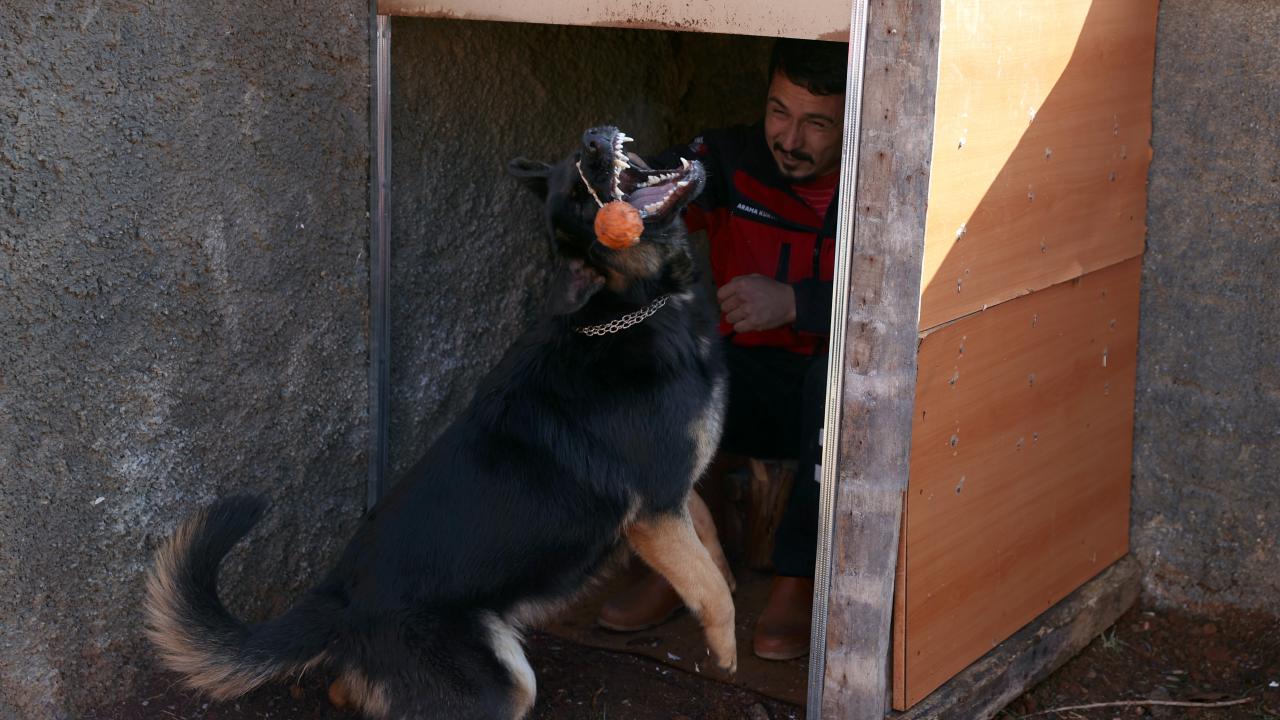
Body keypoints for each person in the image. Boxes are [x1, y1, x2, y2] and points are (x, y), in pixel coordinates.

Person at [598, 37, 848, 661]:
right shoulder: (730, 158)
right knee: (663, 366)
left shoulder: (876, 185)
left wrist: (796, 302)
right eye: (778, 111)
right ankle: (676, 563)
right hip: (745, 384)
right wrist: (623, 189)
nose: (789, 138)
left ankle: (797, 582)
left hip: (829, 393)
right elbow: (659, 194)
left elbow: (904, 295)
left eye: (817, 123)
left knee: (837, 384)